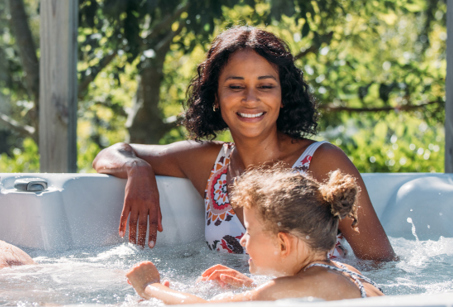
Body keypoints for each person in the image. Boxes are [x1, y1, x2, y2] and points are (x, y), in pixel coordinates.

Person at [93, 26, 396, 261]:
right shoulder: (207, 164)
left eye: (265, 86)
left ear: (282, 96)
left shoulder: (322, 162)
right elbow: (112, 152)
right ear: (215, 96)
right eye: (236, 86)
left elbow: (380, 262)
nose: (251, 99)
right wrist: (138, 171)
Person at [126, 167, 384, 303]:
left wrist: (151, 287)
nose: (242, 240)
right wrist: (254, 286)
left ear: (283, 243)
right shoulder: (345, 272)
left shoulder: (306, 285)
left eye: (248, 231)